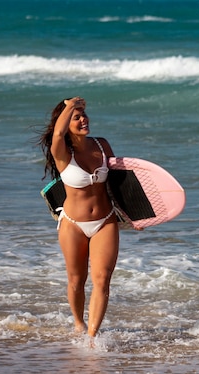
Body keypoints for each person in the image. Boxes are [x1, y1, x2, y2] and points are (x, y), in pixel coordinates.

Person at [38, 97, 119, 339]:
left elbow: (118, 184)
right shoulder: (61, 152)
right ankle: (78, 323)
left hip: (105, 220)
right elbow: (57, 133)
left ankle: (92, 337)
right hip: (73, 224)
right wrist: (69, 104)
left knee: (102, 279)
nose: (83, 119)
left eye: (84, 113)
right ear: (65, 122)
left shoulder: (102, 145)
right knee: (76, 280)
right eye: (77, 116)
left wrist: (136, 216)